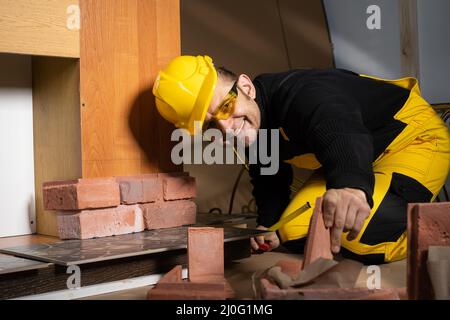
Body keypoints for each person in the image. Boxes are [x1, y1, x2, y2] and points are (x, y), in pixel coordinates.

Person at [153, 55, 450, 264]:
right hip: (365, 154)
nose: (227, 127)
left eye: (225, 107)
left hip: (412, 139)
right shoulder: (251, 129)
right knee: (289, 231)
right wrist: (267, 225)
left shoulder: (303, 95)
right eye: (211, 126)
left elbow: (338, 128)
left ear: (245, 87)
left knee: (352, 230)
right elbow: (268, 176)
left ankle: (438, 228)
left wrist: (349, 186)